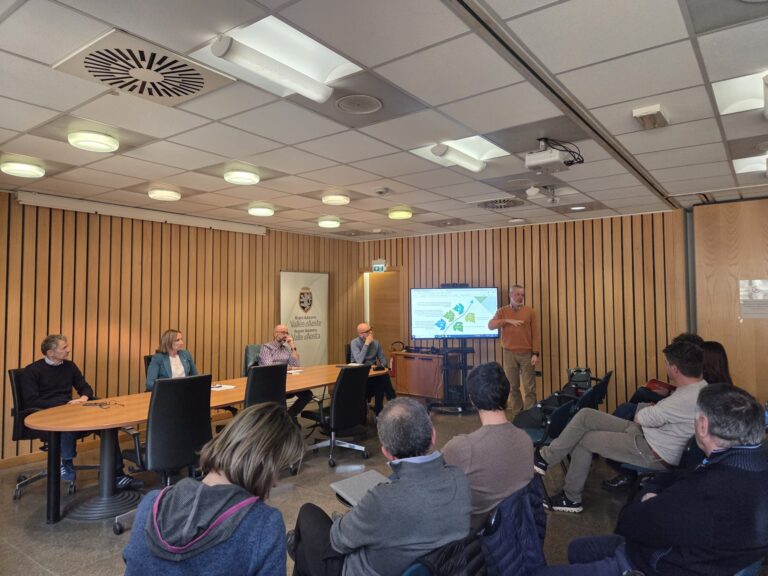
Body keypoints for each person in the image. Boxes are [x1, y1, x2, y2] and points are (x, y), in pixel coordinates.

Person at [540, 384, 768, 576]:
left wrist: (649, 496)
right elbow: (674, 479)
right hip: (676, 551)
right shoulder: (744, 467)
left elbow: (629, 523)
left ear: (702, 425)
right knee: (577, 549)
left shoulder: (705, 490)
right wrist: (655, 494)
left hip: (647, 564)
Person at [290, 397, 471, 576]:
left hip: (357, 569)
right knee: (304, 553)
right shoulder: (459, 479)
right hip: (433, 569)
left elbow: (337, 541)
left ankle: (297, 550)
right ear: (433, 435)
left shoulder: (382, 500)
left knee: (307, 514)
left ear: (386, 452)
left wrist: (356, 517)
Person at [123, 402, 304, 576]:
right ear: (265, 463)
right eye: (280, 470)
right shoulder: (264, 525)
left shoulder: (150, 504)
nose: (276, 482)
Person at [534, 340, 707, 513]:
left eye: (667, 364)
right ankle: (545, 458)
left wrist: (652, 409)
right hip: (649, 435)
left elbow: (641, 417)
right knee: (586, 415)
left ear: (675, 369)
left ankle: (571, 498)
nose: (666, 368)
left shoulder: (683, 399)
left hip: (651, 451)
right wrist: (654, 409)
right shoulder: (700, 388)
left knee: (584, 440)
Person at [21, 334, 138, 487]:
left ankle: (116, 473)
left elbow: (85, 387)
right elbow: (31, 400)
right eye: (64, 348)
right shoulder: (32, 370)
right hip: (46, 415)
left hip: (71, 408)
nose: (68, 350)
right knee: (68, 422)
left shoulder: (70, 366)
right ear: (50, 352)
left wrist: (83, 398)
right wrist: (62, 406)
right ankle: (66, 462)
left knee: (108, 426)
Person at [442, 362, 534, 529]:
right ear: (507, 392)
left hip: (475, 536)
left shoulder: (461, 448)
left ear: (472, 399)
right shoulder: (526, 440)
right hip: (518, 531)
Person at [487, 284, 540, 415]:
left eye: (522, 295)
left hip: (527, 354)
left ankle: (531, 414)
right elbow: (490, 325)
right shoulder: (502, 311)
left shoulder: (530, 311)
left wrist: (535, 353)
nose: (520, 297)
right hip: (509, 353)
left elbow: (535, 334)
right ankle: (517, 414)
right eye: (518, 294)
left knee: (530, 387)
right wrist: (507, 321)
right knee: (512, 386)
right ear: (511, 295)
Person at [259, 324, 312, 418]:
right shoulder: (267, 348)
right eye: (283, 333)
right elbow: (269, 367)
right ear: (275, 334)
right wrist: (289, 368)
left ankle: (289, 416)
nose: (286, 335)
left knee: (307, 394)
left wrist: (292, 346)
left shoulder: (286, 349)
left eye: (287, 333)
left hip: (288, 382)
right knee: (280, 398)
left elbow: (296, 365)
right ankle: (285, 419)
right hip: (272, 383)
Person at [350, 323, 395, 415]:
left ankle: (380, 410)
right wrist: (366, 344)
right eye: (367, 331)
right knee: (382, 381)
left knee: (382, 379)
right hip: (359, 374)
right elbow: (359, 361)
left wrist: (379, 367)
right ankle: (392, 401)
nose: (371, 332)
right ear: (360, 334)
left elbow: (383, 362)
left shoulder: (376, 343)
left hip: (372, 373)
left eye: (371, 329)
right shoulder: (354, 343)